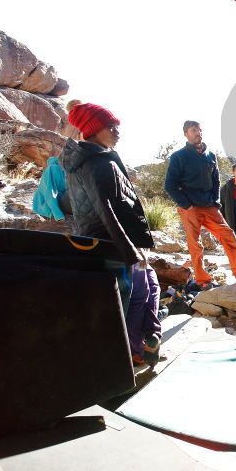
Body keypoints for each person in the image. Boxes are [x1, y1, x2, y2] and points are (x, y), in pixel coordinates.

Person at [59, 102, 161, 366]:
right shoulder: (97, 163)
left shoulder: (88, 160)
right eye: (111, 127)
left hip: (100, 242)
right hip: (110, 244)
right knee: (122, 302)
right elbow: (107, 211)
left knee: (124, 298)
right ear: (94, 129)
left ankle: (121, 357)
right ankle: (116, 364)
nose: (117, 132)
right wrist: (131, 251)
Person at [165, 121, 236, 289]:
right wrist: (186, 204)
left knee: (229, 236)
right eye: (194, 130)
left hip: (209, 206)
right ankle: (203, 281)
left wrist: (215, 202)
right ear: (186, 134)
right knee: (195, 245)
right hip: (190, 207)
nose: (198, 133)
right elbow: (170, 185)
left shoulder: (210, 155)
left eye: (200, 130)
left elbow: (216, 180)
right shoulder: (179, 156)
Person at [32, 154, 71, 220]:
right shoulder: (53, 168)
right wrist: (58, 214)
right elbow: (49, 192)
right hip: (47, 207)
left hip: (59, 201)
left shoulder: (67, 169)